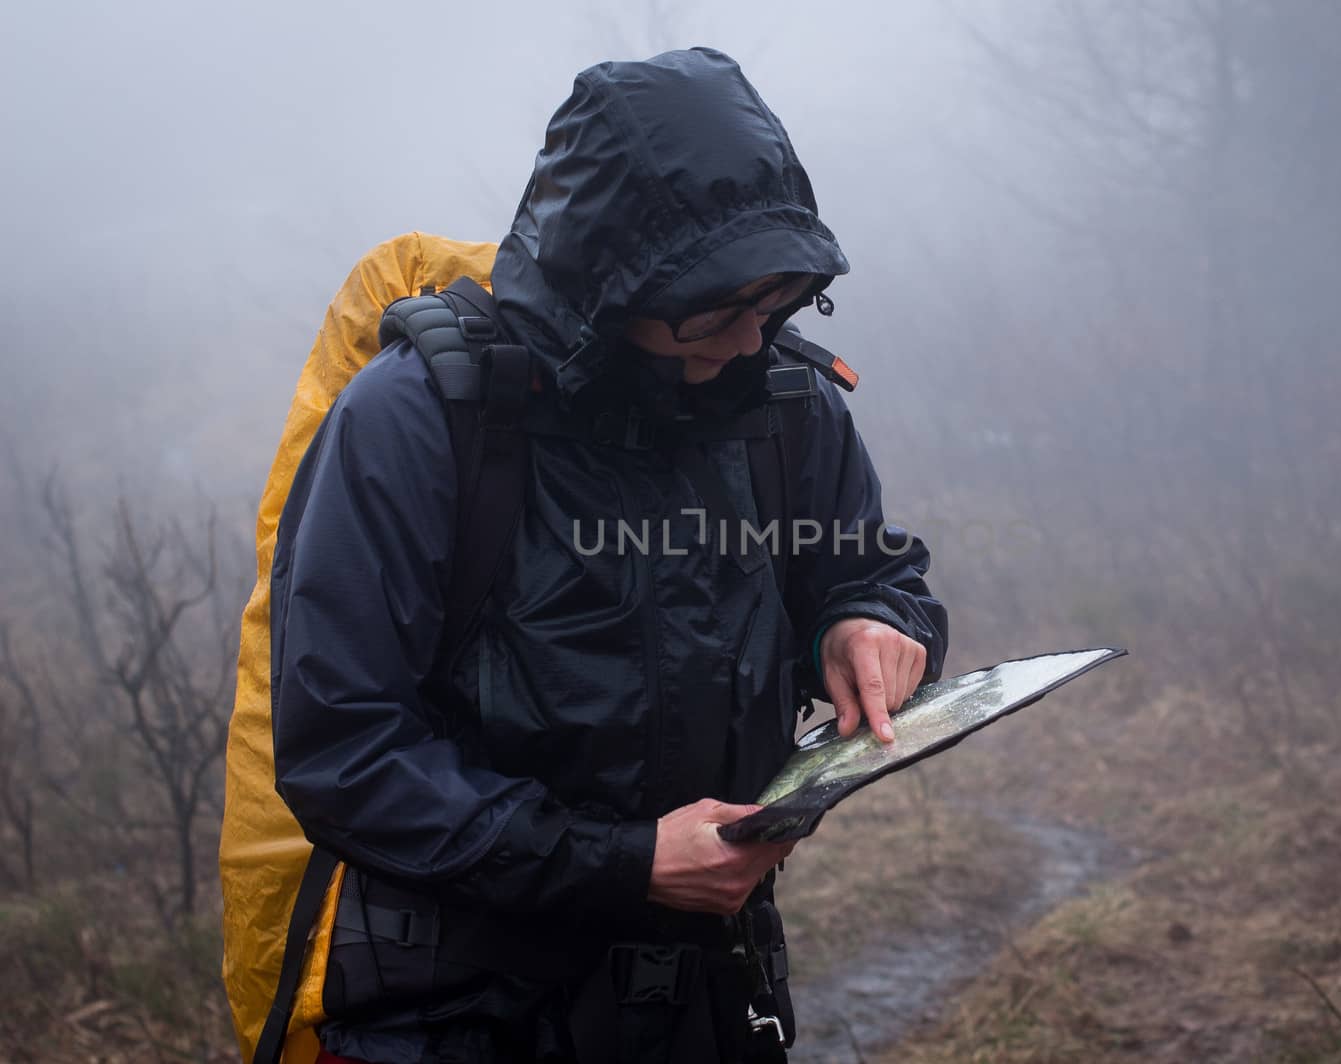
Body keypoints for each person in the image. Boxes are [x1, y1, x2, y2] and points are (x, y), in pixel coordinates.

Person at [270, 47, 948, 1063]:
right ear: (605, 279)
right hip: (446, 1015)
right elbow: (343, 748)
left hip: (704, 994)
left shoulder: (786, 410)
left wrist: (873, 624)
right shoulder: (420, 422)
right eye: (716, 310)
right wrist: (622, 863)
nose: (750, 342)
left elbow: (869, 569)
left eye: (773, 307)